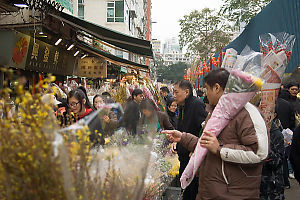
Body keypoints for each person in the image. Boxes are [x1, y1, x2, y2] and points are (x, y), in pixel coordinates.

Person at [163, 68, 269, 199]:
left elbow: (259, 153)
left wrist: (220, 149)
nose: (206, 94)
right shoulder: (217, 112)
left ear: (217, 88)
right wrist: (183, 137)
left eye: (207, 89)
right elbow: (207, 145)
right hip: (210, 191)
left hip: (232, 195)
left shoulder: (248, 114)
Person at [173, 79, 208, 200]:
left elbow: (204, 130)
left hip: (191, 157)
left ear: (186, 92)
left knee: (191, 191)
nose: (174, 96)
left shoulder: (196, 105)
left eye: (176, 92)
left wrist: (196, 150)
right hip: (183, 155)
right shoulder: (182, 106)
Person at [260, 120, 285, 200]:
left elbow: (277, 161)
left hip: (273, 186)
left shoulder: (276, 134)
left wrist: (264, 147)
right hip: (258, 184)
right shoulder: (255, 131)